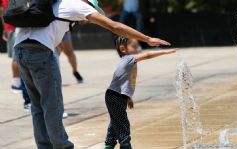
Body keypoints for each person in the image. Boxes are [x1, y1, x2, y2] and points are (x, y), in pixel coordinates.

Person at [13, 0, 170, 148]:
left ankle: (44, 146)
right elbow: (114, 26)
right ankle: (62, 146)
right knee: (52, 104)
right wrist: (147, 38)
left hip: (19, 49)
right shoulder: (78, 5)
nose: (89, 21)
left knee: (37, 105)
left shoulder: (55, 4)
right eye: (94, 15)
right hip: (40, 52)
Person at [104, 36, 176, 149]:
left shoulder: (128, 61)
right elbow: (147, 55)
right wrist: (165, 51)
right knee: (122, 123)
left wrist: (128, 97)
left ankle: (109, 144)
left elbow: (122, 83)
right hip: (115, 96)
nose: (138, 48)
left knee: (115, 121)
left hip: (117, 96)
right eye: (134, 46)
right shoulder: (129, 58)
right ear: (123, 49)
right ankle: (125, 145)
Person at [0, 0, 22, 93]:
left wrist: (4, 28)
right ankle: (16, 84)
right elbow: (2, 11)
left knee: (17, 56)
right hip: (14, 27)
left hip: (12, 27)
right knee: (16, 57)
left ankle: (17, 82)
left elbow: (2, 12)